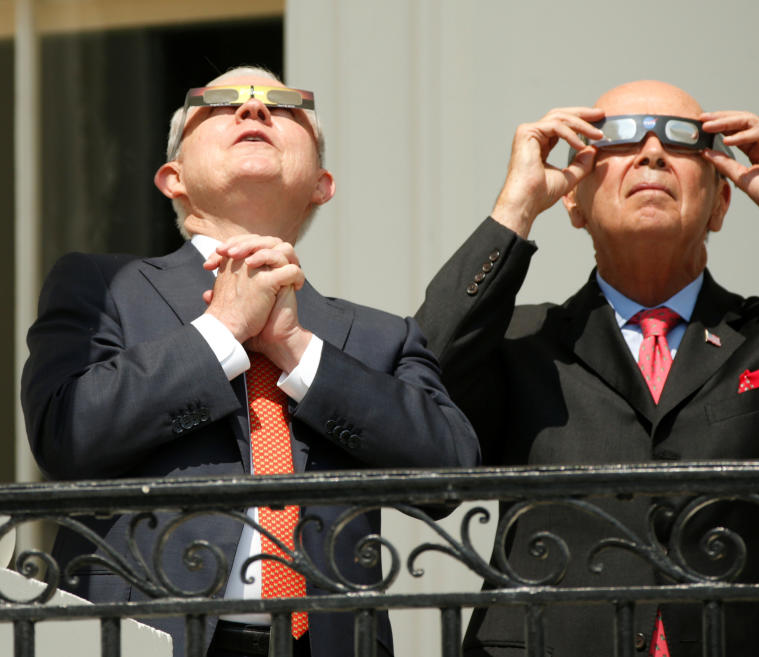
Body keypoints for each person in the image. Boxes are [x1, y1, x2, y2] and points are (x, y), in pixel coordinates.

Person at [415, 80, 759, 656]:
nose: (651, 153)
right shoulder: (521, 341)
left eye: (683, 141)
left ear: (721, 203)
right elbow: (419, 387)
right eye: (616, 139)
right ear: (571, 201)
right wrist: (515, 207)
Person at [21, 66, 479, 657]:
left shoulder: (379, 336)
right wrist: (222, 331)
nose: (254, 111)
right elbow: (66, 436)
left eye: (285, 106)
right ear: (173, 178)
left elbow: (451, 472)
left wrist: (298, 351)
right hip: (140, 636)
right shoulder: (103, 287)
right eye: (220, 103)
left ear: (322, 183)